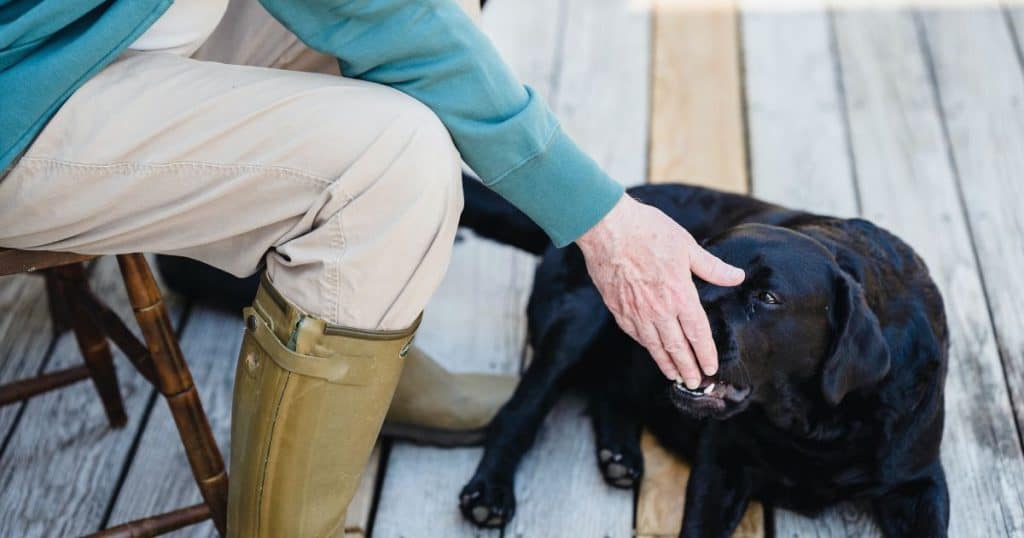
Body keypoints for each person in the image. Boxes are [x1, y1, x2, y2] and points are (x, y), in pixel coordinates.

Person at [0, 0, 745, 535]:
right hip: (23, 84)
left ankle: (353, 368)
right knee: (390, 159)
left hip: (90, 23)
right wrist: (601, 221)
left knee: (433, 24)